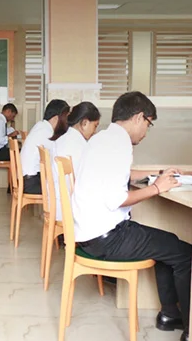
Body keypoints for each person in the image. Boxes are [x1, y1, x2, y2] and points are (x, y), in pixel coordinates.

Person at [72, 91, 190, 341]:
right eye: (148, 124)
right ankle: (187, 327)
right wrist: (157, 187)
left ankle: (170, 313)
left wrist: (157, 174)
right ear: (139, 117)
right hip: (108, 239)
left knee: (167, 243)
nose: (146, 132)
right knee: (184, 254)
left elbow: (118, 175)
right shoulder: (120, 143)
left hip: (88, 235)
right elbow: (116, 199)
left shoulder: (102, 138)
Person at [49, 101, 101, 221]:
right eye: (95, 126)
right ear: (84, 123)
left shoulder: (63, 140)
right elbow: (84, 182)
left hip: (57, 204)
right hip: (68, 209)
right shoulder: (78, 146)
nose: (95, 131)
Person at [20, 99, 70, 194]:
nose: (67, 123)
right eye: (65, 118)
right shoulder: (47, 133)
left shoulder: (40, 126)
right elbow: (56, 161)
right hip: (31, 183)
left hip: (25, 179)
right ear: (56, 118)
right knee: (65, 189)